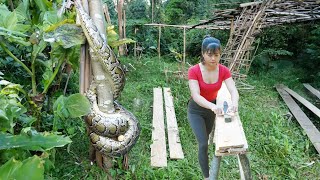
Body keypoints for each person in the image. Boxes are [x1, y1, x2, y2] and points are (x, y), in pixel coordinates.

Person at [187, 35, 239, 179]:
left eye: (216, 55)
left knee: (208, 135)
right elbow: (196, 95)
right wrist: (212, 106)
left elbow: (233, 90)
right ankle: (207, 176)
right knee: (203, 144)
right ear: (203, 54)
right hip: (196, 110)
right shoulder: (194, 71)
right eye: (209, 55)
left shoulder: (223, 70)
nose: (213, 59)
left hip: (211, 111)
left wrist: (234, 103)